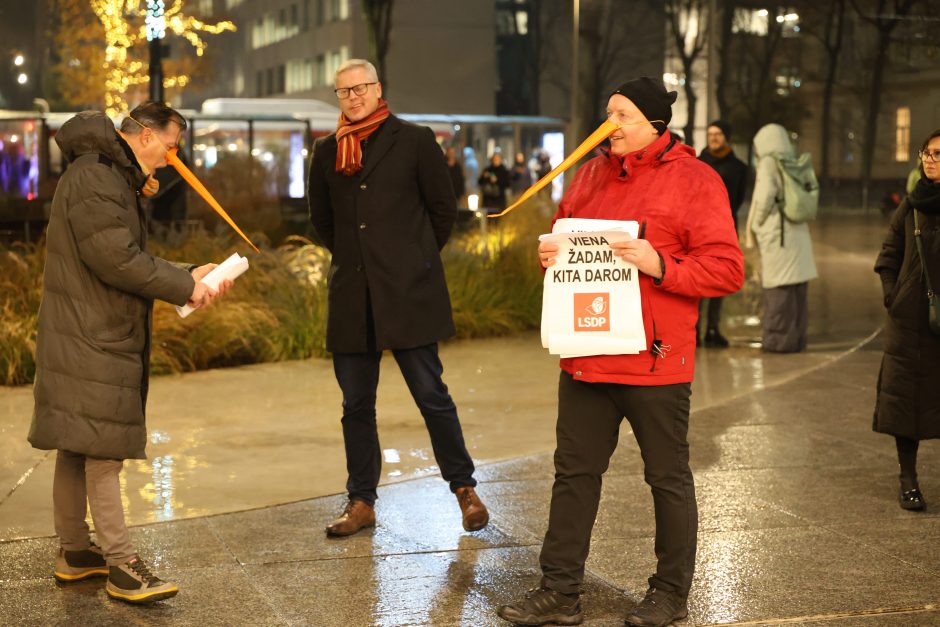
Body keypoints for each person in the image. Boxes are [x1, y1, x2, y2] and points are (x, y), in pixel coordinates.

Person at [497, 77, 744, 627]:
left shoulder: (696, 180)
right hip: (587, 351)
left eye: (623, 115)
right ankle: (560, 591)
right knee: (573, 473)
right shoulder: (586, 175)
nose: (610, 125)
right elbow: (569, 242)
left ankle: (670, 593)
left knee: (666, 476)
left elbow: (728, 269)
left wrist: (660, 264)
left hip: (654, 358)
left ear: (656, 124)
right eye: (608, 113)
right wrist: (553, 258)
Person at [27, 102, 229, 604]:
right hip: (94, 333)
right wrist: (182, 287)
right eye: (170, 143)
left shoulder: (101, 172)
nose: (171, 156)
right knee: (102, 450)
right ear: (143, 136)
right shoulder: (98, 177)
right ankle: (122, 565)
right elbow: (116, 258)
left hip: (87, 327)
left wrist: (187, 275)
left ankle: (75, 553)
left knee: (77, 443)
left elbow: (120, 253)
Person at [307, 59, 489, 537]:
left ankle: (464, 488)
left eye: (360, 88)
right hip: (353, 294)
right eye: (343, 91)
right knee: (355, 406)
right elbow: (322, 222)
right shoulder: (327, 151)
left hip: (409, 292)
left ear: (377, 88)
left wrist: (415, 259)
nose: (352, 97)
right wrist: (357, 257)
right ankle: (361, 501)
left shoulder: (413, 140)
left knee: (432, 395)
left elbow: (443, 210)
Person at [873, 129, 940, 512]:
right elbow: (888, 254)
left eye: (937, 153)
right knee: (907, 402)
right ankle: (908, 479)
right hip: (910, 321)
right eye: (926, 153)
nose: (929, 159)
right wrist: (892, 295)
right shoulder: (912, 205)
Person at [745, 123, 817, 353]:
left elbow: (765, 197)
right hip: (796, 235)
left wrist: (756, 225)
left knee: (778, 292)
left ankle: (777, 341)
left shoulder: (768, 163)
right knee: (797, 294)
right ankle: (797, 339)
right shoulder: (791, 162)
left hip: (779, 237)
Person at [697, 119, 748, 348]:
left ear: (726, 137)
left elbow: (736, 200)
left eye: (718, 134)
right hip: (697, 229)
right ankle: (694, 330)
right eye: (710, 134)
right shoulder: (697, 163)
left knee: (718, 279)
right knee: (696, 279)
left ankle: (713, 328)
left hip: (724, 229)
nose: (713, 138)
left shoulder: (739, 168)